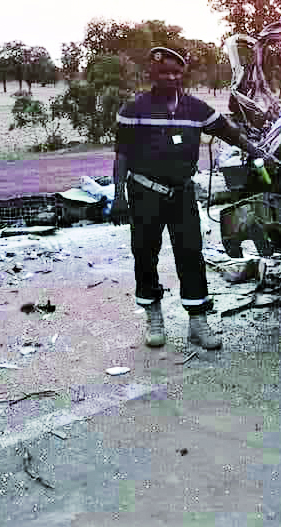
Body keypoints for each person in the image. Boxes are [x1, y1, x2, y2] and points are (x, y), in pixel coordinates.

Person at [111, 46, 268, 349]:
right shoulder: (134, 110)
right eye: (163, 73)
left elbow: (229, 132)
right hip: (144, 193)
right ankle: (154, 317)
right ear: (151, 75)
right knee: (145, 254)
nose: (170, 77)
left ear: (182, 75)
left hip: (182, 194)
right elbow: (122, 156)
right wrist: (119, 196)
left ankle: (198, 322)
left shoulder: (196, 109)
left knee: (191, 255)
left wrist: (258, 154)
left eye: (176, 72)